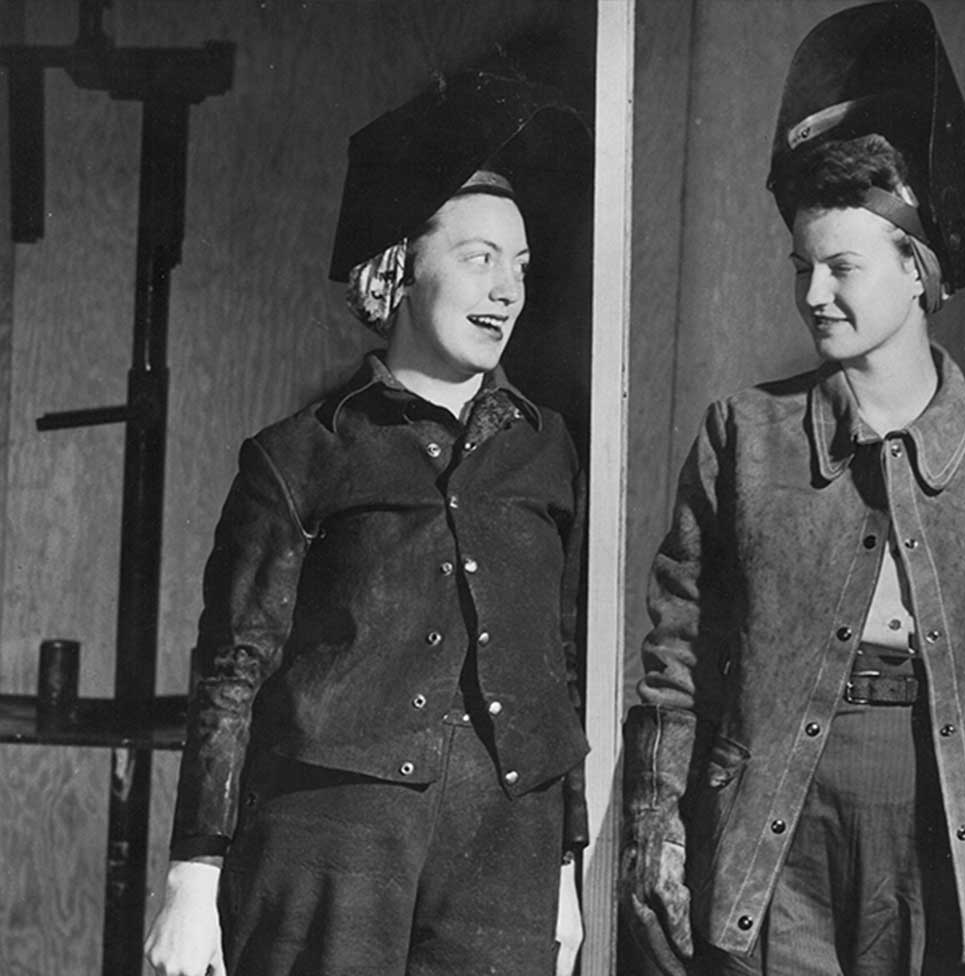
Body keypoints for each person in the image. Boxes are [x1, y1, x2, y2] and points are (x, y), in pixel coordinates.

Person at [621, 3, 965, 975]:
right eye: (801, 267)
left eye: (840, 267)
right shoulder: (741, 437)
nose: (812, 294)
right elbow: (677, 659)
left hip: (950, 819)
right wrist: (655, 829)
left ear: (918, 269)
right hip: (777, 817)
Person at [144, 65, 592, 976]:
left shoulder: (547, 449)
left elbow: (559, 661)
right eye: (477, 258)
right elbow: (234, 670)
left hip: (501, 851)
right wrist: (193, 877)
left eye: (520, 266)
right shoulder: (299, 454)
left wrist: (564, 866)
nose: (505, 289)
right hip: (329, 849)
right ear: (398, 265)